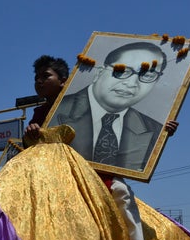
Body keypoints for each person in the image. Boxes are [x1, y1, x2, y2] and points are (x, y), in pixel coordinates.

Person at [25, 54, 176, 240]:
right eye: (36, 78)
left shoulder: (91, 102)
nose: (39, 82)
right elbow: (32, 148)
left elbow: (127, 125)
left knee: (122, 193)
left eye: (46, 76)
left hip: (96, 176)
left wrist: (160, 130)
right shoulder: (39, 114)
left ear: (64, 81)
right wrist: (31, 134)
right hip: (56, 180)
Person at [53, 42, 170, 170]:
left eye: (147, 75)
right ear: (100, 72)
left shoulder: (154, 130)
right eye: (122, 71)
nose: (131, 83)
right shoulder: (55, 111)